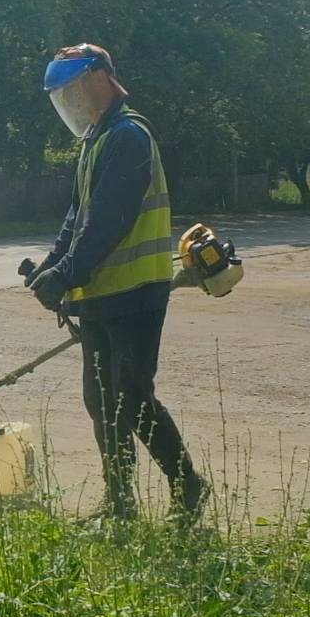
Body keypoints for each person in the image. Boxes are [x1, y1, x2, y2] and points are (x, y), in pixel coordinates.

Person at [23, 43, 208, 524]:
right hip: (102, 293)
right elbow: (77, 215)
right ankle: (120, 503)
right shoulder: (95, 139)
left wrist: (66, 274)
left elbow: (109, 219)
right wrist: (52, 265)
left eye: (73, 91)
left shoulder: (127, 135)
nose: (70, 103)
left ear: (101, 79)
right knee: (101, 399)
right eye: (61, 97)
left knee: (131, 394)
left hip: (137, 293)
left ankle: (188, 486)